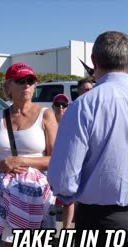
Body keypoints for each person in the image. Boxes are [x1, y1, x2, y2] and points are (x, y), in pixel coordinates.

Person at [48, 31, 128, 247]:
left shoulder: (84, 105)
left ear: (93, 62)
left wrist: (70, 196)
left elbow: (64, 178)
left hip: (100, 218)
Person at [0, 62, 58, 247]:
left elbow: (57, 159)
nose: (27, 85)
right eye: (21, 81)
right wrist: (1, 166)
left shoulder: (46, 115)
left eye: (31, 81)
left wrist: (23, 161)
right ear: (8, 87)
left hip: (38, 197)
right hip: (6, 196)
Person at [51, 93, 75, 229]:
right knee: (49, 202)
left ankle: (66, 230)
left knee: (68, 201)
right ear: (53, 106)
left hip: (67, 167)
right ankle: (49, 231)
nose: (60, 107)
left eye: (64, 104)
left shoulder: (71, 123)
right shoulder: (47, 122)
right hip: (48, 167)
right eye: (57, 104)